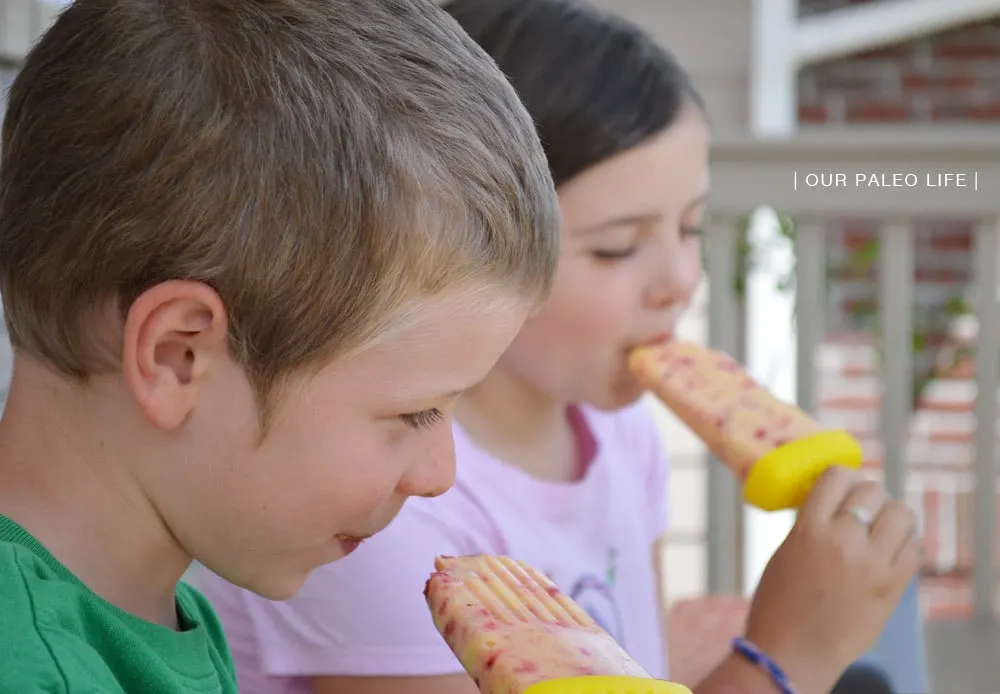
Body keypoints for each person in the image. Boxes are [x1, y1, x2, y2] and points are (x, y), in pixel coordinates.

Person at [195, 1, 921, 693]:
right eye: (616, 248)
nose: (678, 280)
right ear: (482, 250)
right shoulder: (382, 506)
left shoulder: (620, 431)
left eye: (692, 229)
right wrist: (785, 655)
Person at [0, 0, 561, 691]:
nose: (439, 474)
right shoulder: (29, 665)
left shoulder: (161, 611)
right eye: (417, 413)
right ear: (179, 357)